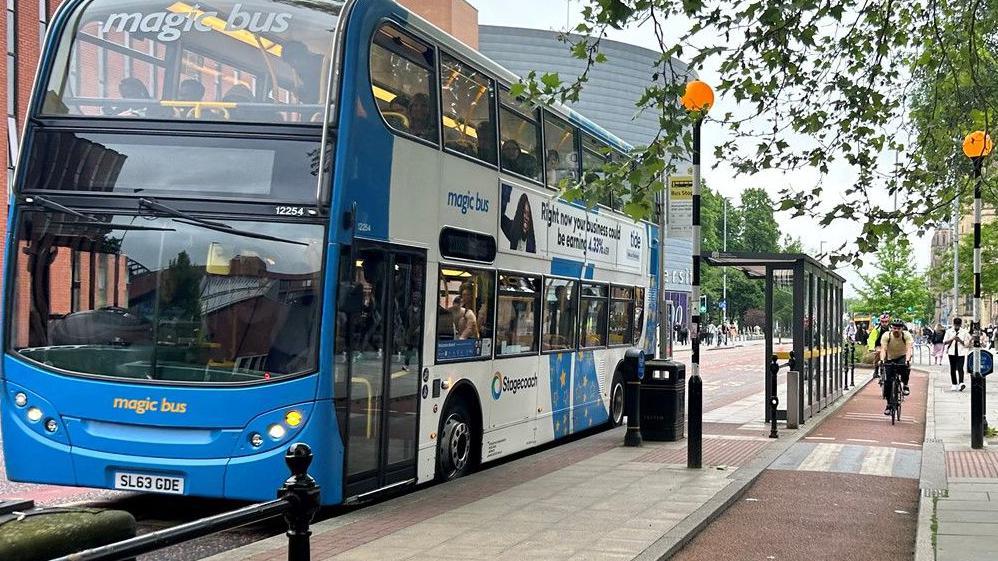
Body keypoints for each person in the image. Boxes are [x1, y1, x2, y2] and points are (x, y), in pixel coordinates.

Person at [880, 318, 913, 415]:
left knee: (905, 368)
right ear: (891, 328)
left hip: (902, 356)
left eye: (898, 328)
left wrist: (907, 360)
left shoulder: (906, 335)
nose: (896, 330)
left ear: (902, 329)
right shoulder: (886, 335)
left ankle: (905, 385)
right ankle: (889, 405)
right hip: (890, 357)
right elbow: (883, 349)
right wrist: (882, 360)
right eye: (894, 328)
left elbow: (909, 349)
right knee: (888, 383)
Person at [944, 318, 969, 391]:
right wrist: (952, 339)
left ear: (960, 324)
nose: (957, 326)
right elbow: (944, 342)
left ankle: (961, 383)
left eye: (958, 325)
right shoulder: (949, 331)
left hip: (961, 353)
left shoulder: (964, 332)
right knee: (953, 368)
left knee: (960, 368)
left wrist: (960, 340)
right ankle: (954, 384)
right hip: (951, 352)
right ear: (953, 324)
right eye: (956, 325)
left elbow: (966, 344)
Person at [867, 313, 891, 378]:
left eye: (886, 322)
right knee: (878, 353)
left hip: (889, 345)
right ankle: (876, 370)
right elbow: (871, 339)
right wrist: (871, 347)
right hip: (879, 345)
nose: (884, 323)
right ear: (880, 321)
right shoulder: (876, 329)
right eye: (882, 321)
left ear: (888, 321)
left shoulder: (891, 329)